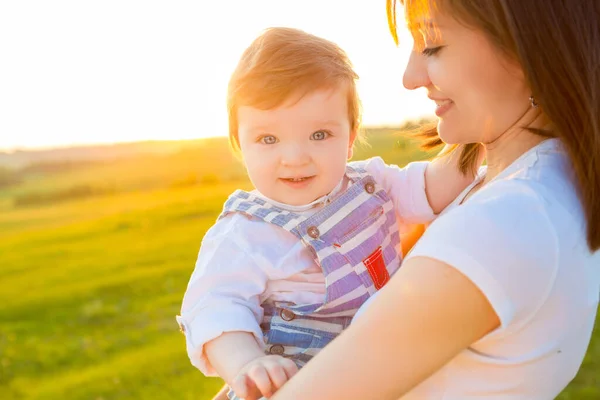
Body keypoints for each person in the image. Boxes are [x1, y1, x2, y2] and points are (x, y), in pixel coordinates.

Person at [269, 0, 600, 399]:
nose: (410, 78)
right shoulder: (528, 187)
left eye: (433, 45)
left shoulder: (507, 221)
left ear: (527, 47)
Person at [176, 27, 480, 400]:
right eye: (268, 139)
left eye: (319, 134)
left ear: (351, 137)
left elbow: (433, 187)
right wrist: (247, 365)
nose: (295, 157)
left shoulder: (371, 184)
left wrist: (484, 139)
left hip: (378, 372)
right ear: (240, 145)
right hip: (297, 385)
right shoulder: (244, 233)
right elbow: (215, 309)